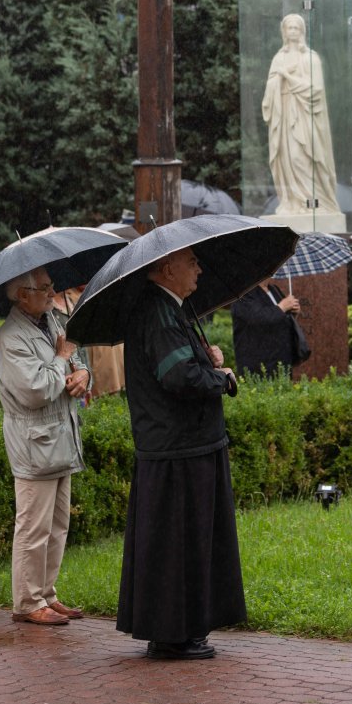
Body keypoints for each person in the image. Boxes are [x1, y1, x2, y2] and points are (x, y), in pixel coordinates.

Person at [117, 247, 245, 660]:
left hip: (183, 446)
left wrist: (208, 363)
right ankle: (172, 634)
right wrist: (219, 380)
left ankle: (180, 629)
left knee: (184, 541)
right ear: (168, 267)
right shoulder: (158, 310)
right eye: (192, 262)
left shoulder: (169, 308)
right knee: (177, 543)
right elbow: (177, 376)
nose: (200, 269)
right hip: (177, 448)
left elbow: (178, 364)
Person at [0, 267, 90, 626]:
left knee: (57, 525)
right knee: (34, 526)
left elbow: (76, 361)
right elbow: (36, 391)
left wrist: (83, 374)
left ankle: (47, 594)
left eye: (50, 287)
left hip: (61, 439)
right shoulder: (10, 338)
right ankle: (28, 602)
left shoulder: (50, 320)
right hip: (35, 445)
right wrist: (63, 360)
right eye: (44, 288)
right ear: (22, 295)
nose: (52, 294)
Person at [262, 12, 341, 216]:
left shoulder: (310, 58)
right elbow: (270, 88)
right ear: (284, 32)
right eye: (290, 28)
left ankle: (312, 202)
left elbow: (316, 89)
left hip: (304, 115)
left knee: (301, 157)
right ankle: (291, 202)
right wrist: (278, 80)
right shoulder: (279, 58)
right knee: (286, 158)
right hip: (285, 111)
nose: (293, 31)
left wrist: (287, 75)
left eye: (297, 27)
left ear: (302, 31)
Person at [230, 277, 300, 375]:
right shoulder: (243, 293)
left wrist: (292, 313)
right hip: (258, 364)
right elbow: (256, 319)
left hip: (281, 360)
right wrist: (282, 307)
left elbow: (279, 319)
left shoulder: (274, 289)